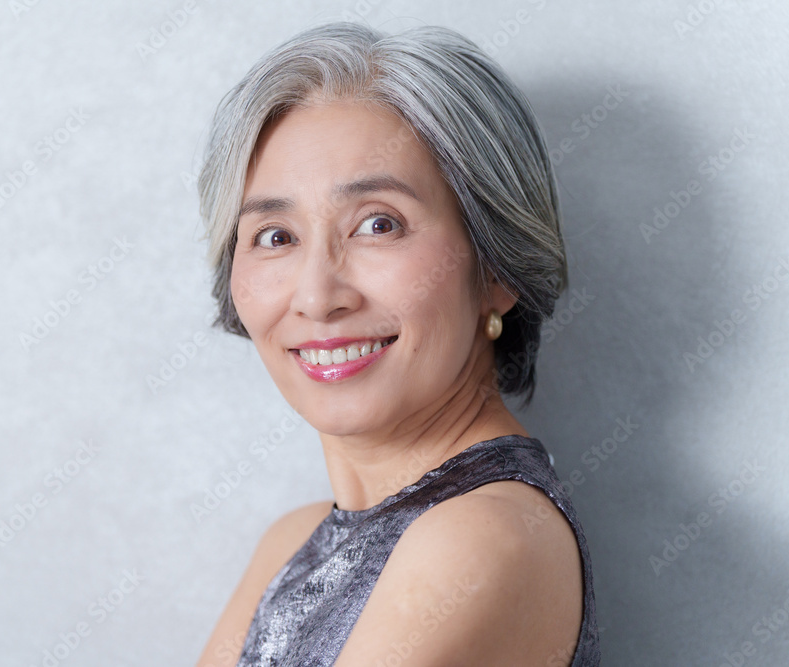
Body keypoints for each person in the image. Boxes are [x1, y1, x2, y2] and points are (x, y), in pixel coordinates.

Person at [194, 20, 600, 667]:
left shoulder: (482, 537)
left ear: (496, 268)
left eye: (378, 224)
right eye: (275, 236)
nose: (317, 295)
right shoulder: (291, 542)